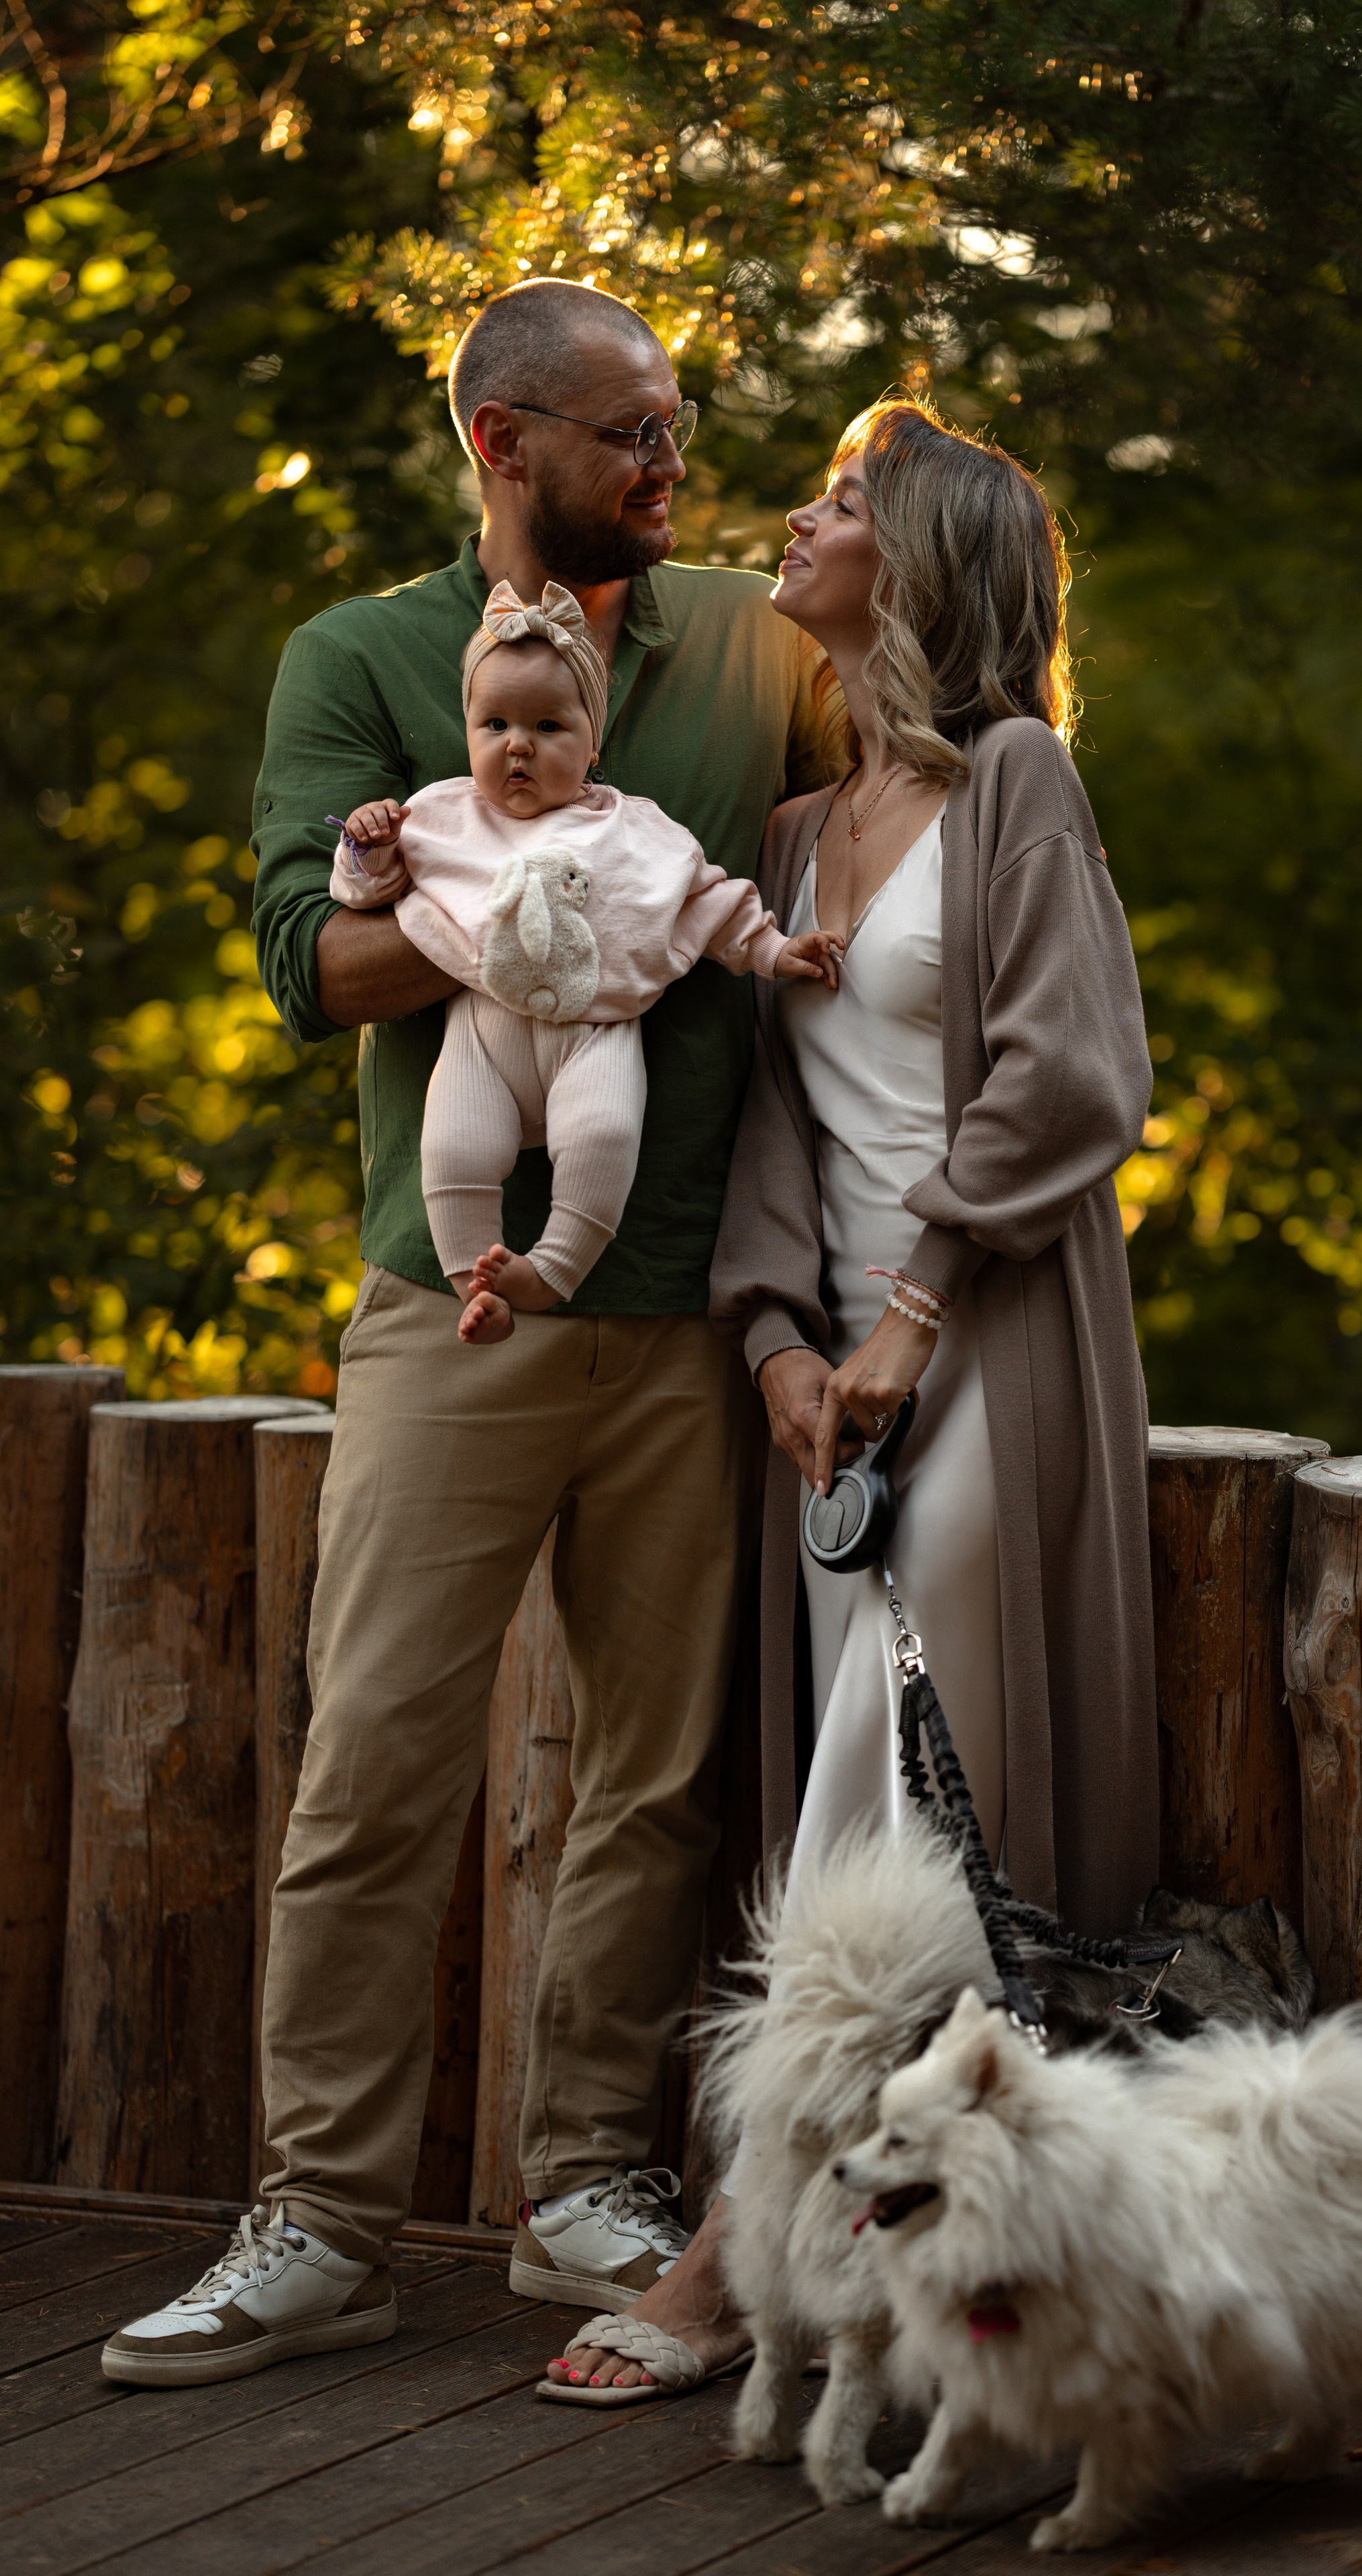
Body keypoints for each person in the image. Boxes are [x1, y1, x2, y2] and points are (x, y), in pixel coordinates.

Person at [100, 278, 833, 2390]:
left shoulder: (755, 647)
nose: (674, 467)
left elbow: (913, 794)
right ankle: (320, 2221)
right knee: (375, 1770)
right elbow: (303, 966)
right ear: (506, 443)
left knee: (655, 1783)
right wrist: (523, 900)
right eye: (634, 433)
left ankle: (584, 2183)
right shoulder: (357, 658)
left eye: (678, 426)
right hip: (454, 1306)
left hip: (694, 1310)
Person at [542, 397, 1158, 2404]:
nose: (793, 522)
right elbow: (777, 1128)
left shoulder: (1019, 783)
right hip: (835, 1384)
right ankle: (898, 2269)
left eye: (837, 499)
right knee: (863, 1769)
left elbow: (1070, 1071)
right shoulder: (797, 835)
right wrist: (777, 1343)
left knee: (906, 1788)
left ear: (922, 557)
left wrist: (910, 1311)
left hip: (991, 1340)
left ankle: (738, 2244)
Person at [331, 581, 839, 1340]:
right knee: (453, 1146)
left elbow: (707, 902)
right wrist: (366, 846)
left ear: (592, 743)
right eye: (495, 724)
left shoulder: (634, 830)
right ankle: (475, 1285)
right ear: (467, 730)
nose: (518, 745)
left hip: (595, 1034)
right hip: (482, 1037)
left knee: (603, 1137)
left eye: (548, 726)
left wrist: (775, 948)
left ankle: (551, 1273)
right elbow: (362, 892)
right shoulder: (440, 817)